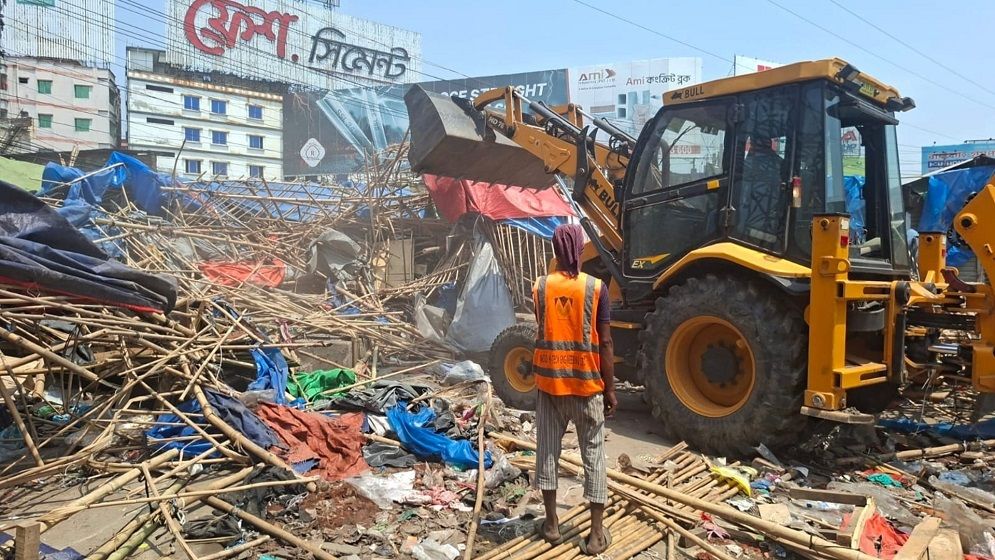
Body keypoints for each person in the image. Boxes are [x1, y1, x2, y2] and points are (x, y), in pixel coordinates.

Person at [532, 223, 617, 555]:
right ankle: (595, 535)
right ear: (580, 249)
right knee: (593, 456)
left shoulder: (540, 287)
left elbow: (543, 328)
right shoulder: (597, 288)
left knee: (547, 453)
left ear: (555, 251)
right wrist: (610, 390)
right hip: (587, 387)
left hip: (550, 386)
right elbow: (605, 343)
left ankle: (552, 524)